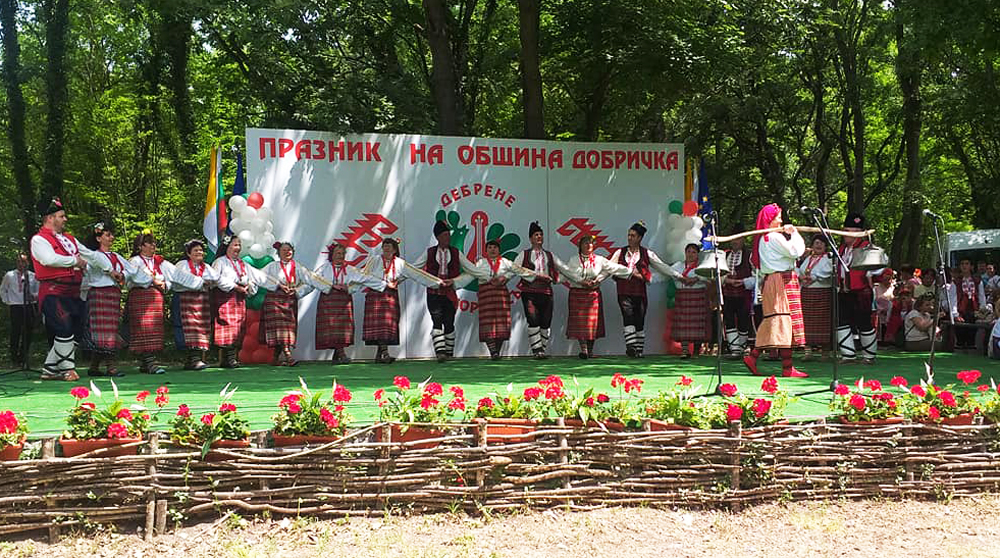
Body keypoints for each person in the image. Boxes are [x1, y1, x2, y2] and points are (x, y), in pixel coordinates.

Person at [30, 197, 111, 381]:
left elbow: (89, 255)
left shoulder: (70, 239)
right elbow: (48, 259)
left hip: (74, 292)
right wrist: (74, 261)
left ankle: (50, 370)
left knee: (76, 331)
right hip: (53, 292)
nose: (65, 219)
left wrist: (110, 269)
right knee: (64, 329)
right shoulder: (39, 240)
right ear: (50, 218)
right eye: (62, 216)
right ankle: (68, 369)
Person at [742, 203, 808, 378]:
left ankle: (780, 365)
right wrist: (794, 233)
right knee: (782, 320)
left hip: (773, 280)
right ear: (770, 220)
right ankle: (768, 361)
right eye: (778, 217)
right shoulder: (773, 238)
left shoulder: (763, 239)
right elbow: (795, 251)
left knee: (778, 320)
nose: (780, 220)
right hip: (781, 281)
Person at [608, 221, 686, 358]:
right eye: (629, 235)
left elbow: (662, 267)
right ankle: (631, 347)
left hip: (639, 292)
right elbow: (608, 267)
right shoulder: (620, 252)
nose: (629, 238)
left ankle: (638, 351)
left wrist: (679, 276)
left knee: (639, 320)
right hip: (623, 290)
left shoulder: (646, 253)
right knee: (628, 315)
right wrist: (597, 279)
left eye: (633, 235)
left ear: (640, 238)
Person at [81, 222, 149, 377]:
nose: (111, 237)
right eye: (107, 235)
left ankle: (94, 366)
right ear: (98, 238)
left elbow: (131, 270)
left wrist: (124, 275)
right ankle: (110, 366)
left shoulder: (116, 256)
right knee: (102, 331)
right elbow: (87, 272)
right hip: (99, 294)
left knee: (110, 330)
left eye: (112, 234)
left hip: (113, 294)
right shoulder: (93, 256)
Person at [361, 237, 444, 363]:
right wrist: (383, 284)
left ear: (395, 250)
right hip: (375, 295)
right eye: (384, 246)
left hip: (390, 296)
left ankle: (380, 354)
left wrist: (437, 282)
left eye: (389, 246)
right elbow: (364, 276)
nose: (386, 248)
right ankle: (384, 354)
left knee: (387, 325)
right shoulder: (374, 260)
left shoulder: (400, 263)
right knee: (380, 326)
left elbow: (417, 274)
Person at [557, 235, 636, 359]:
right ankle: (584, 350)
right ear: (580, 246)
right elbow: (567, 273)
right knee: (580, 324)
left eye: (591, 243)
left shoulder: (599, 260)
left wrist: (630, 272)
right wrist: (555, 279)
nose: (589, 245)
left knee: (592, 324)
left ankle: (590, 351)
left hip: (593, 294)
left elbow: (613, 267)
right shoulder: (573, 260)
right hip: (577, 294)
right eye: (586, 243)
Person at [412, 220, 478, 362]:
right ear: (438, 237)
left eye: (448, 235)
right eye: (444, 235)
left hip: (449, 293)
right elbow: (414, 268)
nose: (448, 238)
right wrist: (398, 275)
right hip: (433, 293)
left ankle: (449, 353)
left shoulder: (456, 252)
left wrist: (485, 274)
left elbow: (471, 268)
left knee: (449, 322)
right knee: (436, 320)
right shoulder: (429, 252)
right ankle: (440, 353)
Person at [468, 239, 544, 359]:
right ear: (486, 250)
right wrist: (455, 282)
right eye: (490, 247)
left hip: (501, 294)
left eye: (495, 247)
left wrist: (538, 276)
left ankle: (497, 352)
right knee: (487, 323)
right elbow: (469, 274)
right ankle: (493, 352)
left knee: (501, 323)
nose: (492, 250)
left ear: (499, 250)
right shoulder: (480, 263)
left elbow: (520, 270)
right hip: (486, 294)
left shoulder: (505, 262)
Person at [313, 242, 387, 364]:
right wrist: (330, 285)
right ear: (332, 255)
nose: (340, 256)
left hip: (343, 301)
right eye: (338, 253)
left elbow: (365, 278)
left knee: (342, 329)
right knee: (332, 327)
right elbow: (313, 279)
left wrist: (383, 284)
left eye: (342, 253)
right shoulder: (324, 267)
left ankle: (338, 355)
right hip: (328, 301)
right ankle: (341, 354)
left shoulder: (349, 269)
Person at [512, 222, 564, 359]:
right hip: (529, 292)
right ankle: (537, 350)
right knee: (533, 320)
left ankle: (542, 350)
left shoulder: (549, 255)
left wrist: (573, 278)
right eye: (536, 235)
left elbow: (565, 269)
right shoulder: (524, 254)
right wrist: (503, 278)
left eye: (541, 234)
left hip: (546, 292)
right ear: (530, 238)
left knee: (546, 322)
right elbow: (515, 268)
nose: (539, 237)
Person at [260, 242, 315, 366]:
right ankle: (288, 356)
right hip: (274, 299)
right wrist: (278, 285)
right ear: (279, 253)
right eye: (284, 250)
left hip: (290, 299)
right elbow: (260, 277)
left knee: (287, 329)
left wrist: (297, 291)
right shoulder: (272, 266)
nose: (287, 252)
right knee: (280, 328)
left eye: (289, 250)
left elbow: (311, 282)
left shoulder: (298, 267)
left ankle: (275, 358)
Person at [212, 235, 263, 368]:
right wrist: (235, 286)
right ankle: (227, 358)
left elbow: (254, 278)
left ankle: (231, 358)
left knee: (239, 326)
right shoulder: (220, 262)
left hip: (239, 298)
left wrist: (249, 287)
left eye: (239, 245)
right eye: (235, 245)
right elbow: (216, 279)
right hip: (225, 297)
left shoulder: (242, 264)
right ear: (227, 247)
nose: (238, 248)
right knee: (227, 324)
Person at [127, 231, 174, 374]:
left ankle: (147, 362)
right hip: (140, 297)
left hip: (156, 298)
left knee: (154, 329)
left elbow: (172, 276)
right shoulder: (135, 261)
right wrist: (153, 281)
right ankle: (149, 362)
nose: (153, 245)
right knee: (143, 328)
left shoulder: (160, 261)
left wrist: (166, 285)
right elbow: (134, 278)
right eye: (149, 243)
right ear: (141, 246)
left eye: (154, 243)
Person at [170, 239, 220, 370]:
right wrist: (200, 282)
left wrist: (208, 282)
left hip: (201, 301)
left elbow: (215, 279)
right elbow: (178, 280)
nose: (199, 252)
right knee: (186, 328)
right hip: (185, 300)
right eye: (196, 250)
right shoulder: (182, 265)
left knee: (200, 329)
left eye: (201, 250)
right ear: (188, 253)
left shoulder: (206, 267)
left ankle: (195, 359)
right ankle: (191, 359)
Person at [835, 212, 878, 364]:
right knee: (841, 322)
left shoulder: (866, 247)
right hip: (844, 290)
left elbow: (878, 268)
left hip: (861, 291)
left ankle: (869, 356)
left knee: (864, 322)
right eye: (846, 231)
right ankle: (848, 355)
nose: (847, 234)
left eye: (851, 231)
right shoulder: (841, 249)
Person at [797, 235, 833, 359]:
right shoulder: (808, 259)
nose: (818, 245)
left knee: (824, 323)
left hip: (823, 293)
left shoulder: (829, 259)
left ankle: (825, 353)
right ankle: (808, 352)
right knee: (806, 322)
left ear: (826, 246)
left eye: (821, 243)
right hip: (807, 293)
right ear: (812, 246)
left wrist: (814, 277)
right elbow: (800, 270)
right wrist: (802, 277)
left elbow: (828, 272)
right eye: (816, 243)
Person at [671, 243, 710, 358]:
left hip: (698, 295)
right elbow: (670, 273)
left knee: (698, 323)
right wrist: (680, 278)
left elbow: (709, 277)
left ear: (697, 254)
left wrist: (697, 278)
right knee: (682, 323)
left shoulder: (702, 267)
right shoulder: (678, 266)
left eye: (693, 252)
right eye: (688, 252)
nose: (690, 254)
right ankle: (685, 350)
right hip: (683, 295)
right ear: (685, 253)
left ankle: (697, 350)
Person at [721, 232, 755, 359]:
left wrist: (744, 282)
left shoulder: (749, 255)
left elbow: (757, 274)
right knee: (729, 319)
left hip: (744, 294)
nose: (735, 242)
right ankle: (734, 349)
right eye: (733, 239)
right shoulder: (725, 255)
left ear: (743, 240)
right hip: (728, 293)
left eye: (738, 239)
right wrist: (727, 280)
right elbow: (719, 273)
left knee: (743, 320)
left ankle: (742, 347)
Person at [1, 253, 38, 368]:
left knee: (28, 331)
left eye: (23, 262)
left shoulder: (33, 276)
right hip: (15, 306)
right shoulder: (9, 275)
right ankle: (14, 358)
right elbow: (3, 289)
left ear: (27, 263)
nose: (21, 264)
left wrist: (34, 296)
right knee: (15, 331)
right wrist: (8, 301)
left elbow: (38, 290)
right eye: (18, 261)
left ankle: (23, 357)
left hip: (29, 306)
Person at [953, 257, 988, 349]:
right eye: (962, 264)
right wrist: (955, 314)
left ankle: (971, 347)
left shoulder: (977, 281)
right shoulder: (956, 282)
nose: (964, 266)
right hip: (960, 310)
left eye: (967, 264)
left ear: (971, 266)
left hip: (974, 310)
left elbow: (981, 296)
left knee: (972, 335)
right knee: (960, 334)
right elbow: (953, 298)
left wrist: (982, 310)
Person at [873, 268, 895, 344]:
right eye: (885, 279)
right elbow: (874, 302)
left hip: (892, 313)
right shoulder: (876, 289)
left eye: (889, 278)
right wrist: (881, 310)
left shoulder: (894, 288)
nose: (887, 281)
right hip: (880, 314)